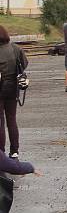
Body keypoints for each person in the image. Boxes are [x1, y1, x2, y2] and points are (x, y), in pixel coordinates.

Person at [0, 25, 27, 158]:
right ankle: (14, 150)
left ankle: (1, 152)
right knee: (12, 119)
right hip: (13, 87)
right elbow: (24, 64)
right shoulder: (15, 48)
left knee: (0, 122)